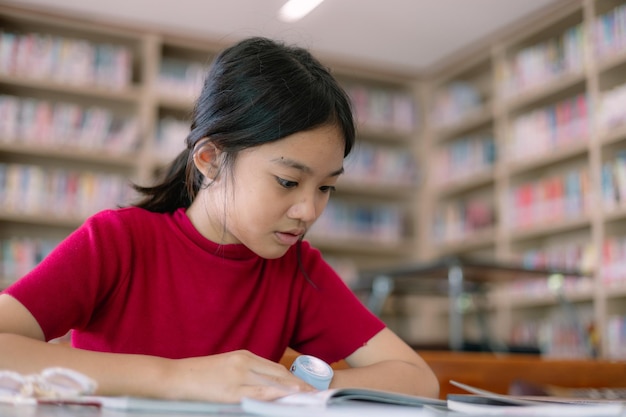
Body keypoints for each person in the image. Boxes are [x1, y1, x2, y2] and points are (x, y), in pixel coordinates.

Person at [0, 36, 439, 403]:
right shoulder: (117, 242)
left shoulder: (297, 269)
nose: (308, 211)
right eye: (288, 181)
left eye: (326, 187)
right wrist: (178, 379)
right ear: (210, 159)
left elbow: (417, 379)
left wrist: (288, 387)